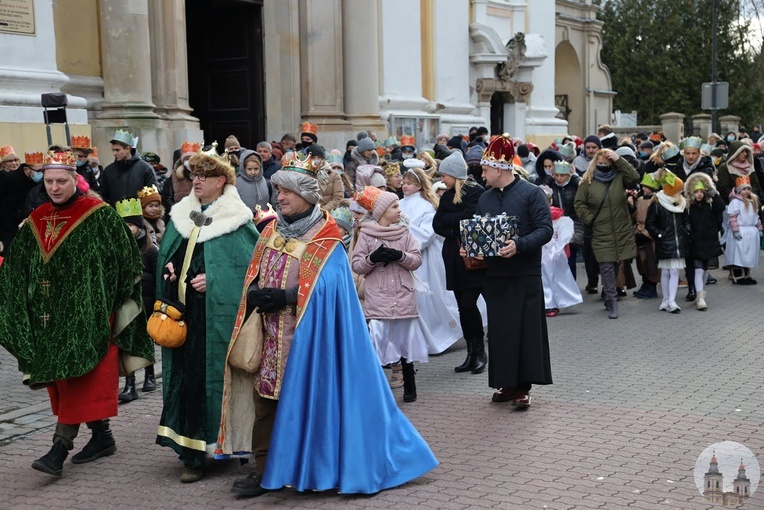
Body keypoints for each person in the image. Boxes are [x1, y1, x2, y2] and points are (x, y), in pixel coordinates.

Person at [216, 156, 437, 497]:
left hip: (309, 341)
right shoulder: (272, 229)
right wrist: (256, 291)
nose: (280, 197)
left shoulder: (327, 237)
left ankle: (308, 468)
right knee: (266, 405)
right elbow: (255, 270)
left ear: (306, 193)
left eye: (286, 191)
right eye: (278, 190)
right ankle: (263, 470)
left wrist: (288, 295)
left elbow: (333, 292)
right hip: (270, 336)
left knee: (304, 407)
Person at [0, 152, 154, 477]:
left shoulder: (99, 215)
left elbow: (127, 259)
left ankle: (59, 448)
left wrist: (110, 296)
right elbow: (17, 268)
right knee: (65, 381)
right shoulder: (37, 217)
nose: (54, 187)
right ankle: (102, 436)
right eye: (50, 181)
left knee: (83, 379)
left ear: (75, 180)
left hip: (91, 316)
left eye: (61, 181)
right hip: (49, 319)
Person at [155, 147, 258, 483]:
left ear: (221, 181)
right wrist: (171, 269)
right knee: (186, 383)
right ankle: (190, 452)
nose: (196, 181)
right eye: (194, 175)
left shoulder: (236, 220)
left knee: (214, 381)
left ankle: (222, 444)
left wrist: (214, 280)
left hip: (215, 320)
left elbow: (250, 268)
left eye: (204, 176)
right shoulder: (183, 214)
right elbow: (174, 252)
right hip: (184, 316)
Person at [472, 133, 553, 406]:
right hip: (496, 275)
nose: (482, 175)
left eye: (485, 169)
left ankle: (523, 387)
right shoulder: (484, 198)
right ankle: (506, 383)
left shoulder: (532, 193)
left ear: (498, 168)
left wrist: (518, 245)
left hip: (525, 273)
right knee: (500, 331)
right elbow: (481, 233)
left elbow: (545, 229)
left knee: (526, 332)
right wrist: (471, 247)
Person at [352, 185, 425, 404]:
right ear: (381, 212)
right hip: (379, 296)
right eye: (394, 206)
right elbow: (357, 265)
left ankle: (409, 382)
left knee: (404, 343)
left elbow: (416, 260)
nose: (399, 209)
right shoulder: (366, 235)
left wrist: (399, 255)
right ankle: (375, 388)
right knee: (378, 344)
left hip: (402, 294)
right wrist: (372, 259)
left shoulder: (404, 233)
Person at [399, 163, 463, 355]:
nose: (404, 186)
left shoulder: (426, 206)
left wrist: (403, 232)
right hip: (404, 256)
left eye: (409, 183)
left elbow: (427, 233)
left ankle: (437, 335)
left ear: (419, 186)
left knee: (429, 297)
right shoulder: (399, 203)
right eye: (403, 182)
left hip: (423, 258)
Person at [433, 153, 487, 374]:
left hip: (472, 257)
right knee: (462, 307)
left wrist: (452, 224)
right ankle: (471, 352)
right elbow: (437, 224)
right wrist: (457, 224)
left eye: (445, 175)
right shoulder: (446, 196)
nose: (442, 179)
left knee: (468, 304)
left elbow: (472, 218)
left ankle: (480, 351)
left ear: (455, 175)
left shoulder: (476, 192)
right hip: (454, 257)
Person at [574, 149, 639, 319]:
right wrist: (590, 220)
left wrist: (619, 159)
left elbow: (634, 177)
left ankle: (609, 295)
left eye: (607, 163)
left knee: (617, 263)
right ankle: (612, 301)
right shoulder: (587, 181)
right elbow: (579, 203)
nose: (603, 165)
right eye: (600, 163)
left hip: (621, 229)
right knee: (606, 266)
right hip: (600, 230)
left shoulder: (619, 177)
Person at [116, 197, 159, 402]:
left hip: (148, 304)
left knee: (146, 340)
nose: (126, 228)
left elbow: (159, 278)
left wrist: (160, 303)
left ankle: (150, 375)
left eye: (130, 224)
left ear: (139, 226)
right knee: (128, 343)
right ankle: (130, 384)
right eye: (123, 224)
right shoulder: (119, 249)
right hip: (128, 304)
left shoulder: (150, 250)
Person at [645, 169, 689, 314]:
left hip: (678, 242)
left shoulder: (681, 203)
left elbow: (686, 221)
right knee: (665, 270)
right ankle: (666, 300)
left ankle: (671, 300)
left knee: (674, 270)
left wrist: (686, 233)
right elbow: (650, 224)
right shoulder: (658, 203)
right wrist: (659, 235)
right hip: (665, 242)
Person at [538, 185, 582, 317]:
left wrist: (557, 249)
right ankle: (548, 304)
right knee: (547, 279)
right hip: (543, 253)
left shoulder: (562, 219)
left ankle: (552, 303)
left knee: (556, 279)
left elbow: (565, 235)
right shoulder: (538, 217)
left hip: (555, 253)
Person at [684, 173, 725, 310]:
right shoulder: (689, 206)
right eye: (696, 192)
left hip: (709, 240)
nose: (699, 194)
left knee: (705, 268)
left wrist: (714, 194)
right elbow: (685, 220)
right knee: (698, 269)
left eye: (702, 191)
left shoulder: (710, 204)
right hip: (695, 241)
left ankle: (700, 293)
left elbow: (721, 208)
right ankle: (700, 296)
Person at [100, 129, 158, 206]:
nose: (114, 153)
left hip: (140, 215)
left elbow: (153, 194)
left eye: (117, 150)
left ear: (127, 149)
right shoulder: (109, 171)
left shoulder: (145, 168)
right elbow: (103, 195)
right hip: (116, 214)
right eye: (113, 150)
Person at [723, 176, 762, 284]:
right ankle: (738, 277)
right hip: (740, 231)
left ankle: (747, 275)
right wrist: (735, 230)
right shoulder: (735, 202)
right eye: (744, 189)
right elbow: (732, 217)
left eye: (748, 189)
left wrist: (759, 228)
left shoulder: (752, 201)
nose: (747, 191)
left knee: (748, 256)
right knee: (739, 255)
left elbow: (756, 216)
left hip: (750, 232)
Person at [548, 161, 583, 279]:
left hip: (573, 222)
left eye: (562, 175)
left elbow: (583, 187)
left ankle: (572, 282)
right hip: (556, 224)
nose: (559, 178)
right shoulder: (552, 186)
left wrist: (575, 177)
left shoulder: (574, 186)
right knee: (557, 255)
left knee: (570, 256)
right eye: (556, 175)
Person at [0, 146, 38, 256]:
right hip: (7, 225)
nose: (14, 163)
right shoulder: (4, 178)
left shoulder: (32, 180)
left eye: (16, 160)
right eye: (10, 161)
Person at [631, 173, 661, 299]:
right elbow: (635, 216)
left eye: (646, 186)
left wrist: (647, 233)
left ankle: (651, 285)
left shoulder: (657, 200)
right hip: (639, 232)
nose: (643, 188)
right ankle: (645, 283)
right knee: (641, 261)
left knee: (650, 261)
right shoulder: (640, 200)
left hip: (649, 236)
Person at [161, 141, 200, 217]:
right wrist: (178, 211)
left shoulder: (203, 176)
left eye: (192, 158)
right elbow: (167, 199)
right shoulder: (173, 177)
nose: (190, 161)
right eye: (187, 159)